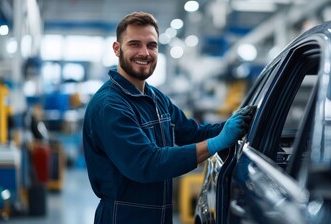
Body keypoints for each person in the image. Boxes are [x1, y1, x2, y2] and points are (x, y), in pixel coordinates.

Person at [82, 11, 256, 224]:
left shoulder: (154, 97)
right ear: (117, 49)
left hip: (158, 215)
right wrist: (216, 143)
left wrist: (231, 126)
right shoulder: (110, 105)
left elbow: (191, 133)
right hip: (124, 216)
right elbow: (147, 163)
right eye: (135, 44)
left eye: (151, 45)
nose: (144, 53)